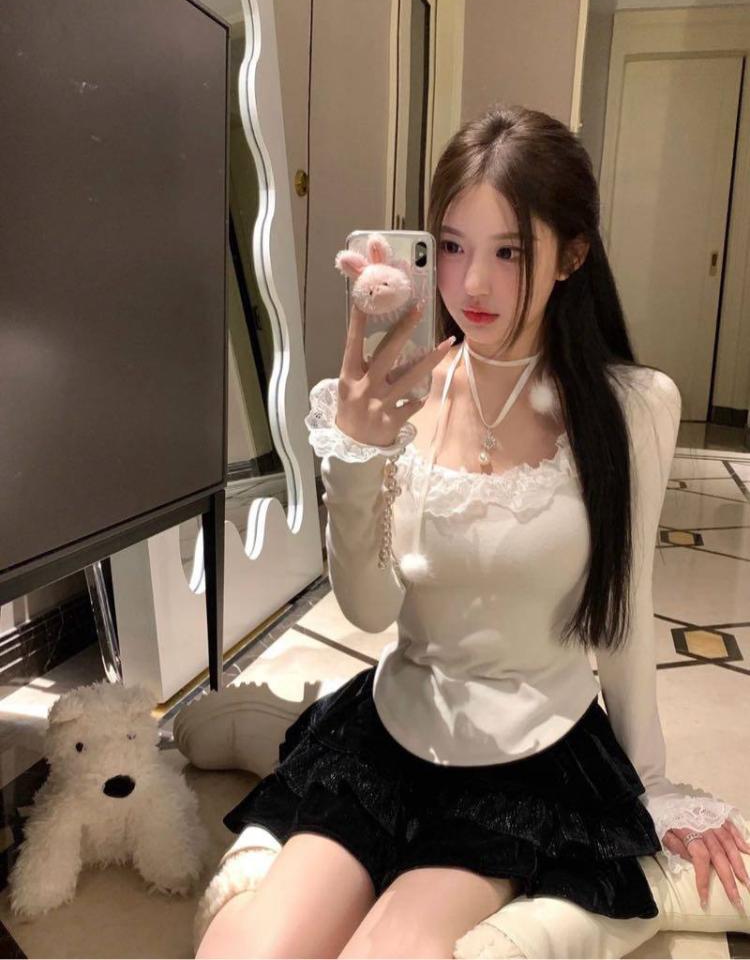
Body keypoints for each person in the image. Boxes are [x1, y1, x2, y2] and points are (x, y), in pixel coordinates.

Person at [196, 104, 749, 959]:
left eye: (509, 252)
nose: (472, 285)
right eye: (451, 246)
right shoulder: (402, 394)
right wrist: (358, 456)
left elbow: (625, 611)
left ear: (573, 254)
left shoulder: (633, 406)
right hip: (392, 728)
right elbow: (369, 610)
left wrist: (654, 784)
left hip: (530, 757)